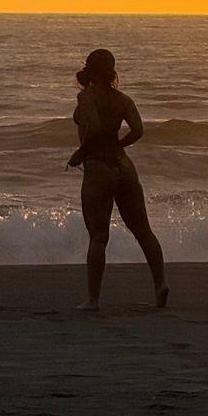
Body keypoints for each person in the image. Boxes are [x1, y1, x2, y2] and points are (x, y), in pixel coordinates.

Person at [68, 49, 168, 311]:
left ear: (89, 69)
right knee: (143, 231)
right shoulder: (123, 99)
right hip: (124, 166)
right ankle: (160, 285)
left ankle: (93, 299)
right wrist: (119, 145)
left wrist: (80, 153)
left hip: (99, 168)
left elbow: (94, 128)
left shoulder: (86, 96)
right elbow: (138, 130)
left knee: (98, 237)